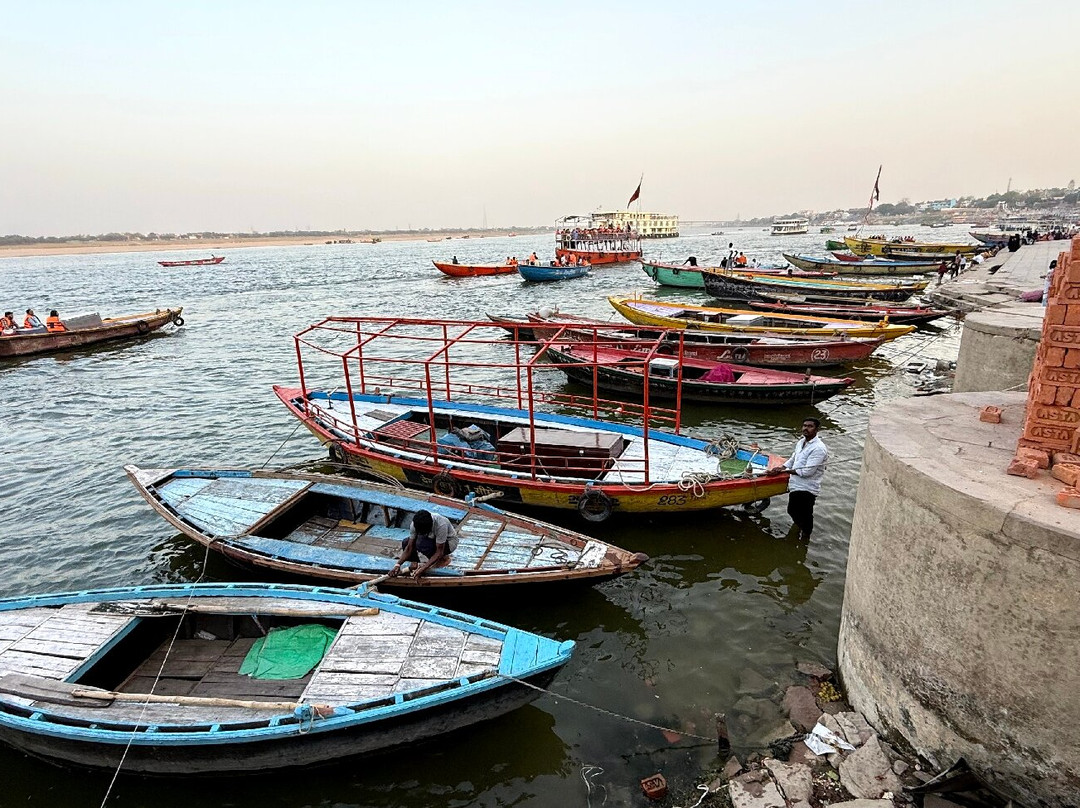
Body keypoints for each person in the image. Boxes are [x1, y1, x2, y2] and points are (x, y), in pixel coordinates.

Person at [765, 417, 828, 540]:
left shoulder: (818, 448)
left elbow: (807, 472)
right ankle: (800, 530)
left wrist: (784, 471)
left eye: (810, 426)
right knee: (794, 511)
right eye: (805, 425)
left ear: (817, 430)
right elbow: (793, 458)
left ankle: (805, 537)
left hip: (807, 487)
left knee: (802, 513)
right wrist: (781, 467)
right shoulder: (801, 442)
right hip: (795, 484)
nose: (806, 428)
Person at [389, 509, 458, 579]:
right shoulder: (414, 524)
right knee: (406, 542)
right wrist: (397, 565)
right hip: (431, 539)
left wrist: (423, 568)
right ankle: (415, 564)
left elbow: (439, 552)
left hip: (449, 542)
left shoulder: (441, 524)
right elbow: (409, 547)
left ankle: (443, 559)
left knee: (422, 544)